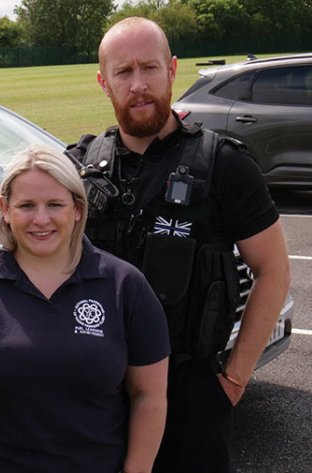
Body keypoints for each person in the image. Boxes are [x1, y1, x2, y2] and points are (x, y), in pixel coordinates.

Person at [65, 17, 291, 473]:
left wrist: (233, 379)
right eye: (123, 73)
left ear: (171, 69)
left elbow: (274, 270)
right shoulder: (82, 167)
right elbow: (8, 206)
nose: (138, 84)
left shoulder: (224, 164)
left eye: (149, 68)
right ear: (103, 82)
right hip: (98, 391)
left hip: (189, 394)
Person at [0, 145, 169, 473]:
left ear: (78, 209)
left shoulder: (125, 285)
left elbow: (150, 396)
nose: (41, 219)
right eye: (26, 205)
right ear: (6, 210)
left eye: (55, 204)